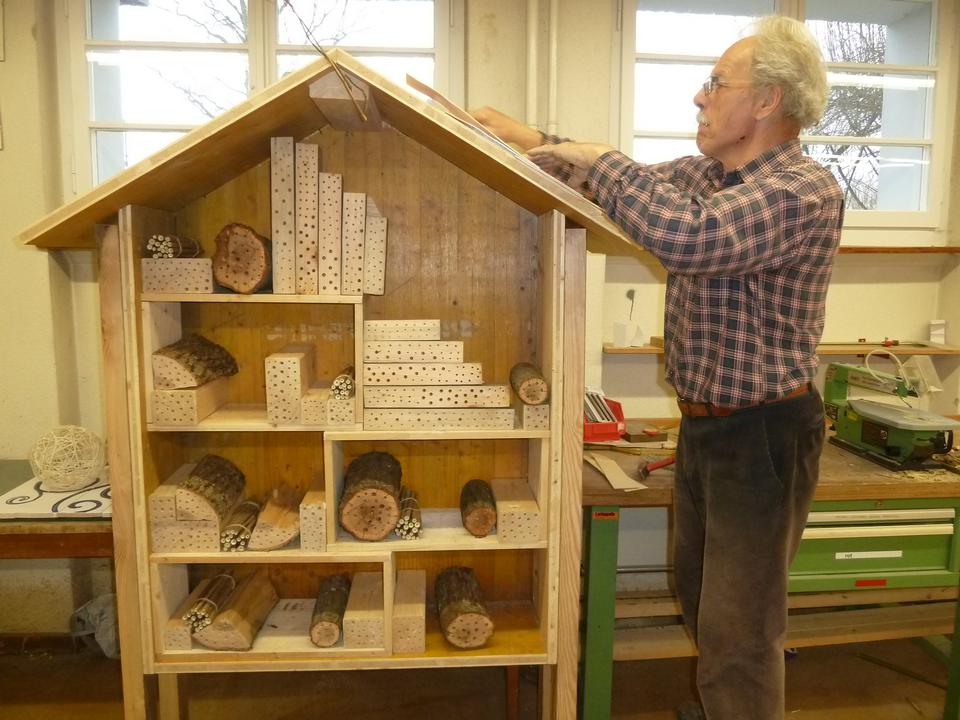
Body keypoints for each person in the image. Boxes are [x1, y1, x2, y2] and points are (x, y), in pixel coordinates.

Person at [474, 15, 843, 720]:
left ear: (767, 100)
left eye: (716, 84)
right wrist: (530, 140)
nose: (700, 97)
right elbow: (619, 188)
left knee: (740, 629)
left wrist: (602, 158)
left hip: (763, 434)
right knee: (702, 596)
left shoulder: (800, 190)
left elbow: (687, 236)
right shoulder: (710, 176)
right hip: (707, 428)